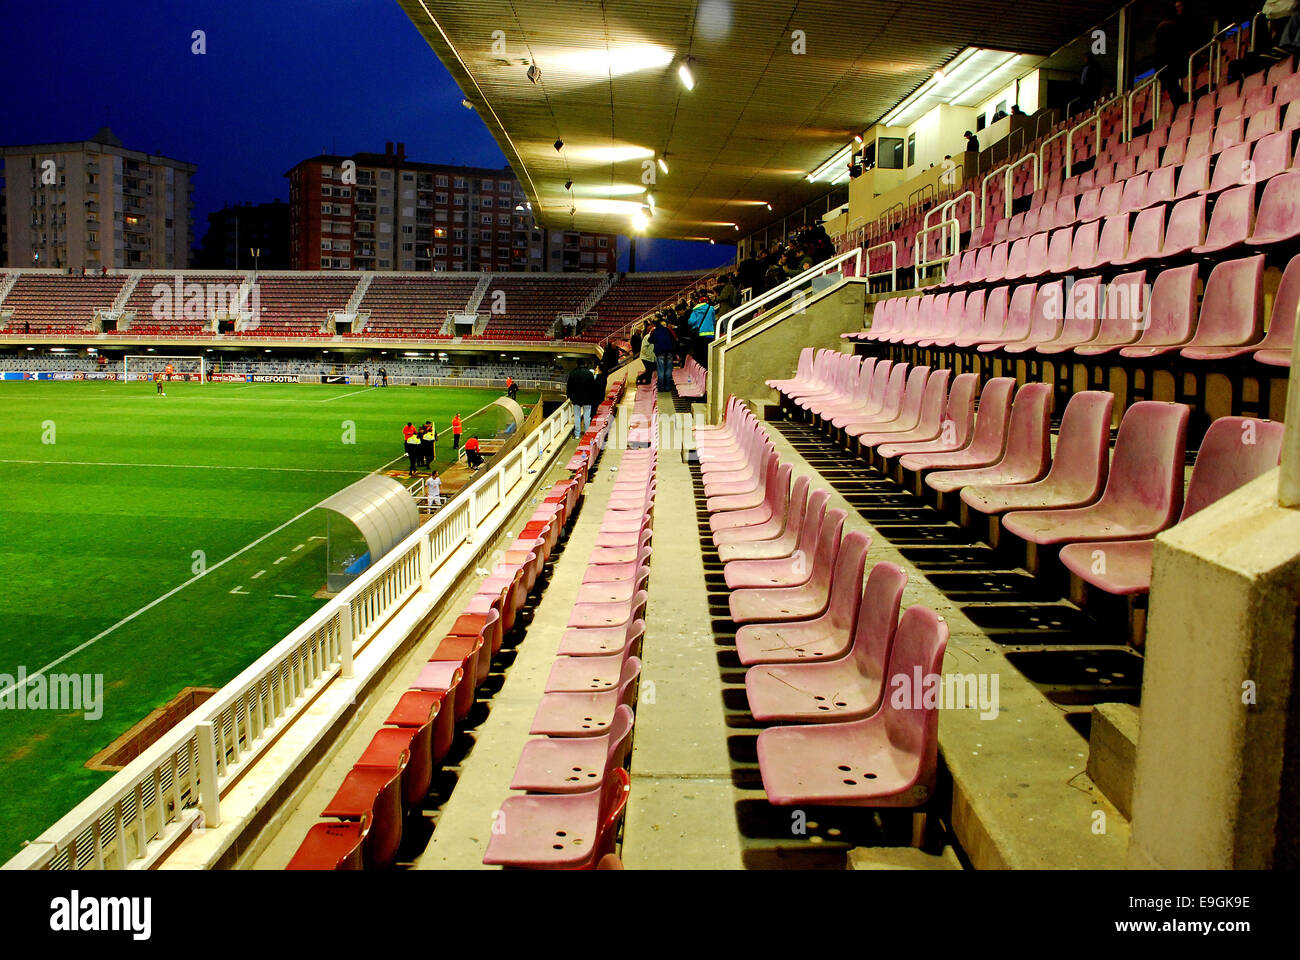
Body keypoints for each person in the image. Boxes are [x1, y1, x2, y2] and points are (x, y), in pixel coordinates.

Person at [687, 294, 717, 369]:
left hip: (699, 334)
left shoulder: (695, 310)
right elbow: (713, 320)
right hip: (710, 334)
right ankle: (708, 368)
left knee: (699, 353)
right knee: (707, 352)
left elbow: (691, 321)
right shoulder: (711, 308)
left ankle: (701, 369)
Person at [566, 363, 596, 438]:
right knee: (587, 417)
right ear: (585, 365)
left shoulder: (573, 373)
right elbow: (593, 386)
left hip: (576, 398)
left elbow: (569, 386)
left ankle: (577, 434)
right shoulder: (589, 373)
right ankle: (586, 433)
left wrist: (570, 396)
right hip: (588, 398)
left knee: (577, 416)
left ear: (577, 365)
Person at [649, 316, 677, 391]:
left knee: (660, 370)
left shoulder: (655, 331)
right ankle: (667, 387)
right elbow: (673, 339)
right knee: (668, 369)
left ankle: (661, 387)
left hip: (660, 352)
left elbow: (650, 340)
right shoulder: (667, 330)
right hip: (669, 351)